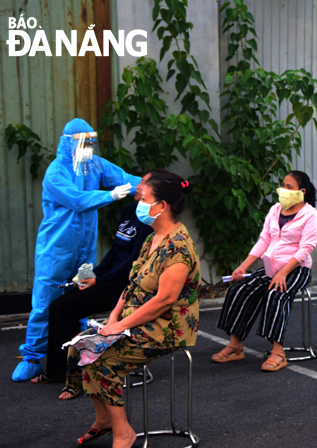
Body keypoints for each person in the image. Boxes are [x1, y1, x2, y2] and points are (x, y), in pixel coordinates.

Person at [63, 171, 200, 447]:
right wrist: (113, 317)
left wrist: (120, 326)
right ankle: (105, 420)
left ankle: (123, 431)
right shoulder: (153, 238)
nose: (138, 199)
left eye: (144, 196)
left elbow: (163, 301)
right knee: (80, 347)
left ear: (161, 206)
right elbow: (132, 284)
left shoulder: (179, 248)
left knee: (102, 360)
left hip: (166, 327)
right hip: (136, 319)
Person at [12, 118, 141, 382]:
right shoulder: (56, 172)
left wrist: (158, 186)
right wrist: (111, 195)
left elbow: (127, 179)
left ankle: (76, 352)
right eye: (83, 142)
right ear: (68, 142)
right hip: (56, 249)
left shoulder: (94, 164)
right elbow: (77, 201)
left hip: (84, 250)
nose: (88, 146)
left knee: (80, 295)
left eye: (91, 141)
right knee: (45, 301)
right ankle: (33, 358)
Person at [30, 170, 163, 385]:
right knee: (56, 305)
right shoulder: (130, 210)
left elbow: (132, 262)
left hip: (127, 283)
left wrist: (99, 281)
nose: (138, 185)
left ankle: (71, 376)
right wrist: (89, 275)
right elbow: (114, 252)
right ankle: (55, 372)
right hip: (111, 277)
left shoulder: (151, 219)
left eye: (145, 182)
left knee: (67, 309)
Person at [214, 170, 317, 372]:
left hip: (297, 269)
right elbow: (264, 240)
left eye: (289, 187)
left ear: (302, 191)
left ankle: (278, 352)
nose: (283, 190)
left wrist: (283, 273)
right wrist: (244, 266)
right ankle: (235, 345)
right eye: (283, 185)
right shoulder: (275, 210)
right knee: (240, 290)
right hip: (271, 268)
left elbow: (306, 248)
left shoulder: (310, 215)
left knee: (276, 293)